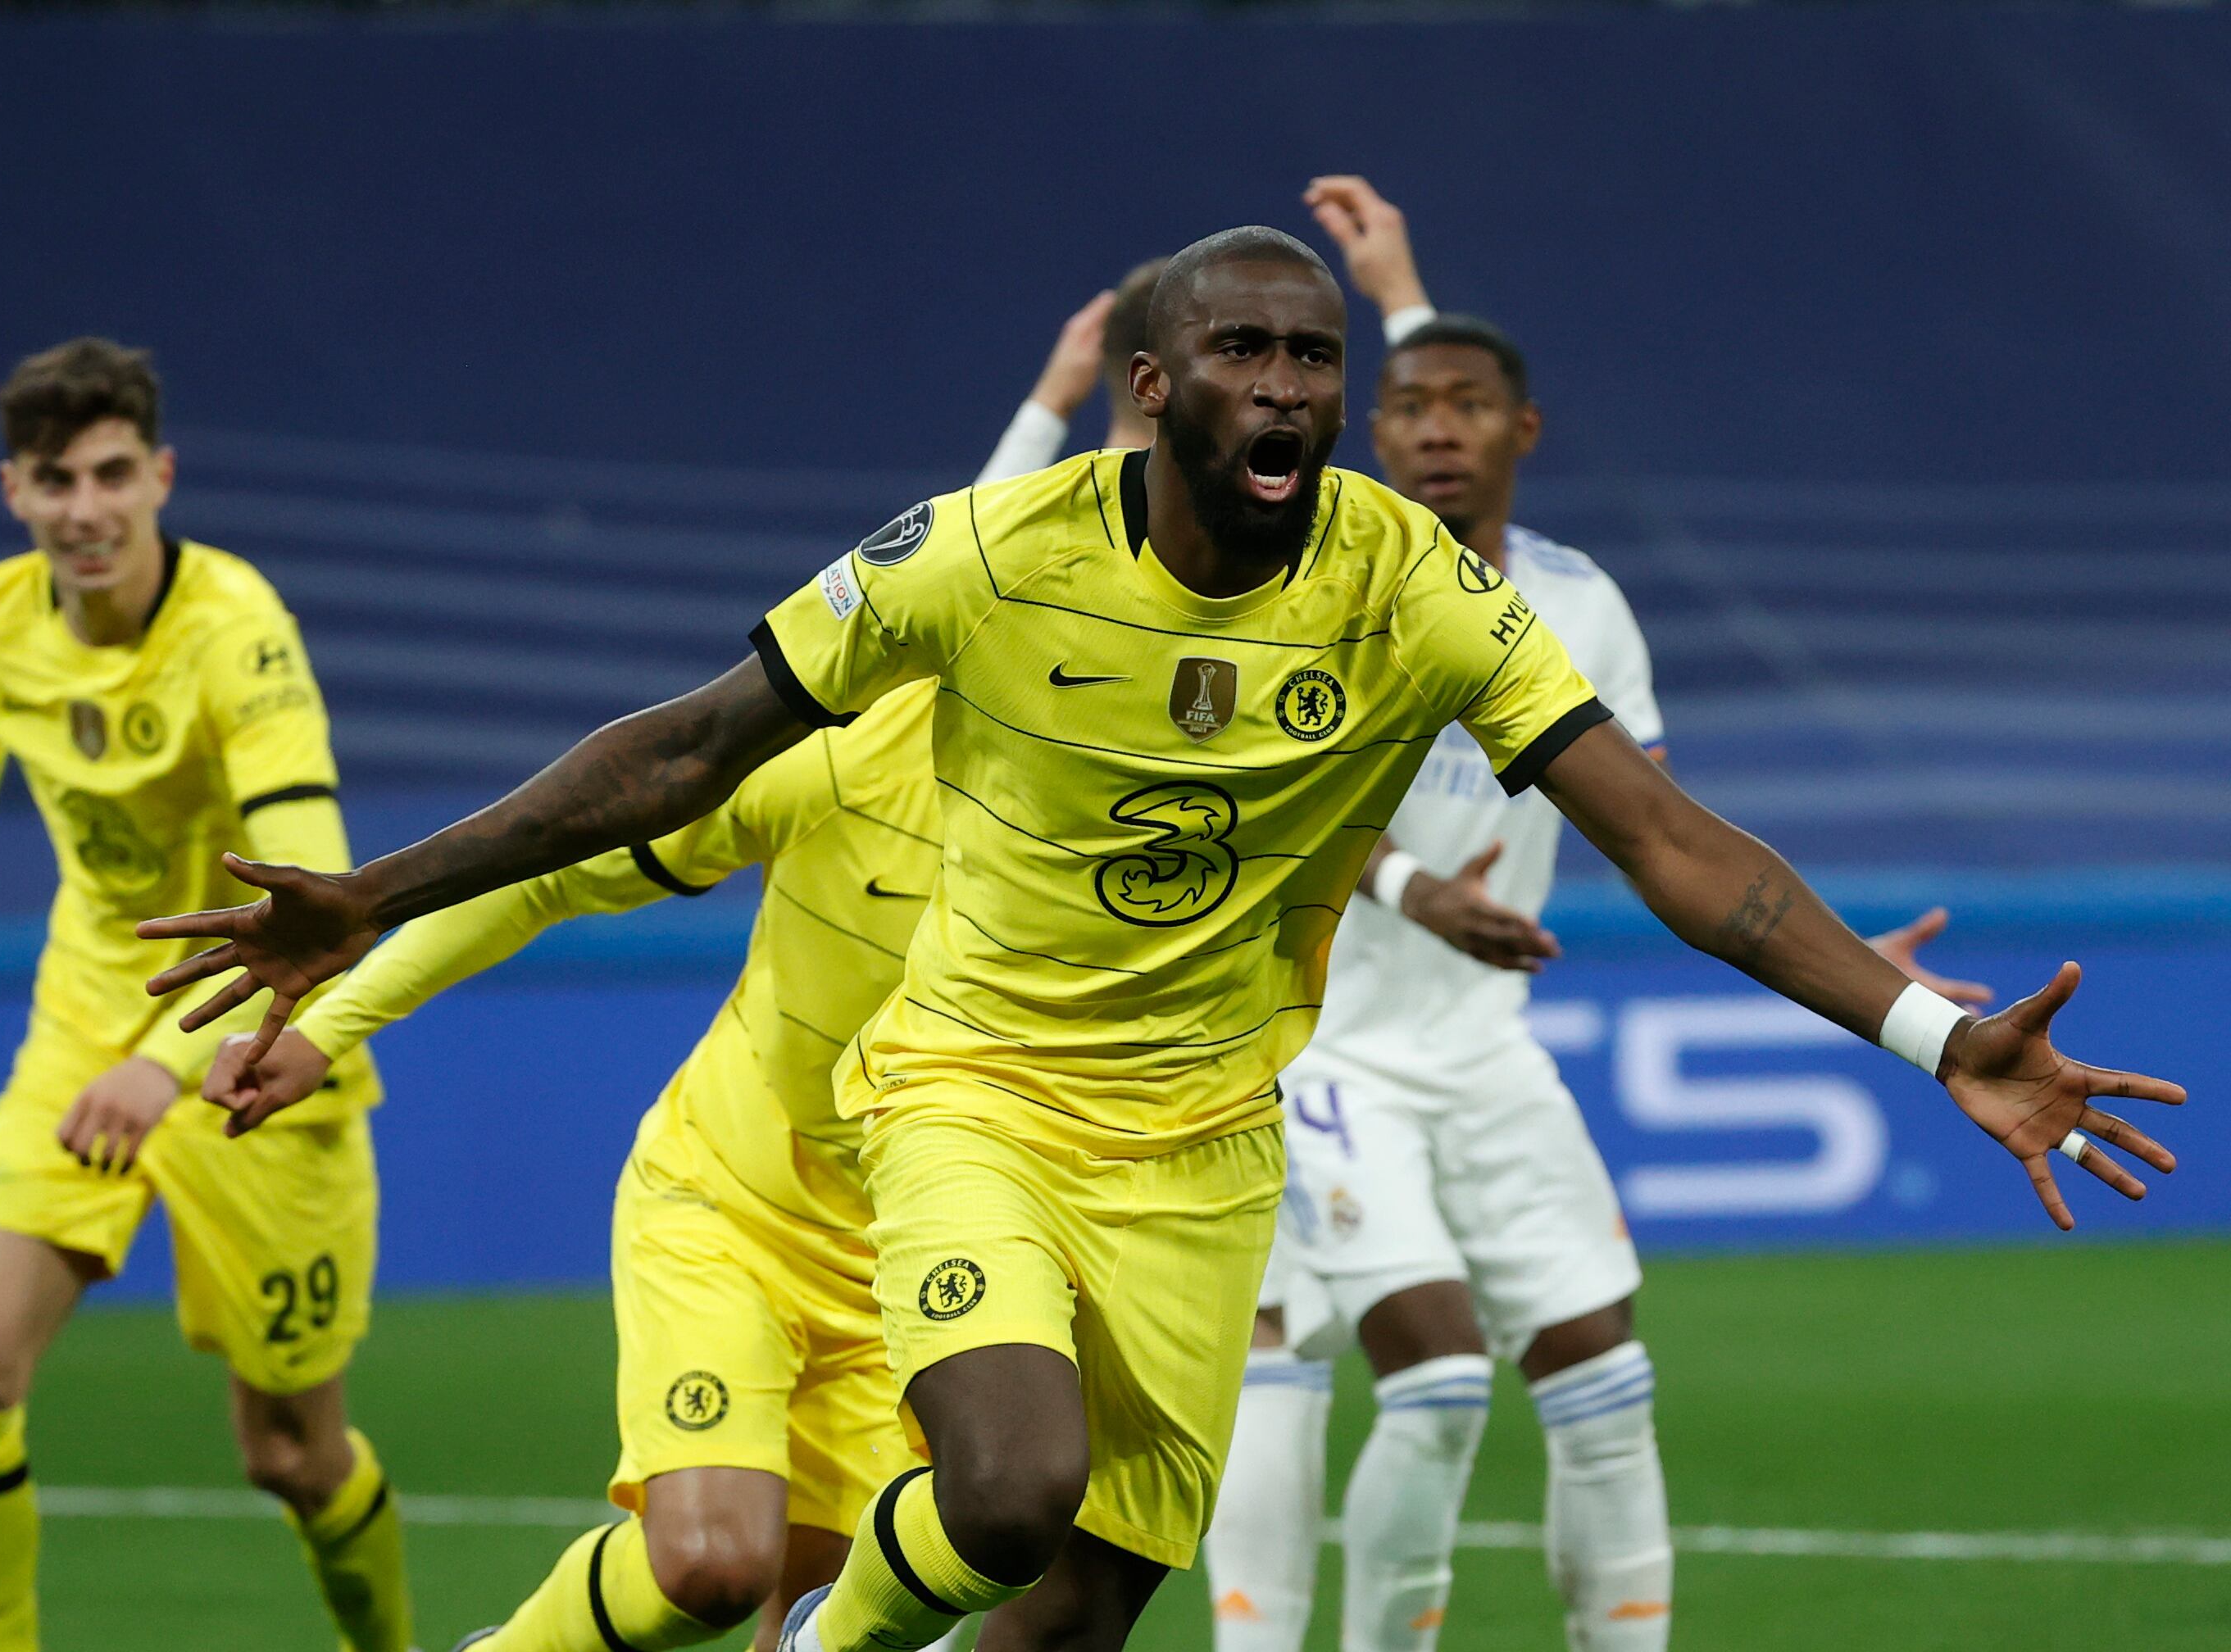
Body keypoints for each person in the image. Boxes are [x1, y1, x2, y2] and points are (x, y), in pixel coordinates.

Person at [134, 229, 2180, 1652]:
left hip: (1205, 1149)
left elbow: (1663, 838)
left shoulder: (1403, 584)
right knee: (1006, 1493)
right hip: (971, 1100)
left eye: (1317, 363)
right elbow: (683, 749)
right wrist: (372, 896)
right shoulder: (979, 557)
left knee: (1086, 1605)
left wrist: (1927, 1035)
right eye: (1248, 356)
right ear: (1154, 388)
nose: (1293, 390)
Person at [1201, 176, 1993, 1652]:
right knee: (1424, 1377)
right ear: (1371, 439)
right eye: (1408, 404)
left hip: (1481, 1054)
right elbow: (1241, 794)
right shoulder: (1314, 579)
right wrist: (1400, 882)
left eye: (1465, 406)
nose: (1436, 425)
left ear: (1521, 433)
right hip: (1313, 1053)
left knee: (1601, 1378)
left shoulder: (1579, 606)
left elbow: (1658, 835)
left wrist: (1832, 972)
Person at [0, 339, 410, 1652]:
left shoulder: (239, 634)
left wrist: (165, 1061)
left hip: (256, 1046)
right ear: (14, 493)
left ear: (160, 476)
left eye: (112, 474)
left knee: (292, 1456)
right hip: (80, 1030)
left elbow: (317, 893)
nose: (87, 508)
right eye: (57, 480)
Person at [196, 683, 956, 1652]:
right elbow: (550, 875)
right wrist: (330, 1030)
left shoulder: (1134, 815)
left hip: (922, 1255)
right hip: (733, 1206)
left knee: (833, 1621)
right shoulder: (842, 756)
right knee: (713, 1567)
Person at [976, 258, 1166, 485]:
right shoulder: (1209, 516)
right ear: (1152, 382)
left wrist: (1050, 402)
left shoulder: (1044, 516)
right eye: (1220, 352)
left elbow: (981, 518)